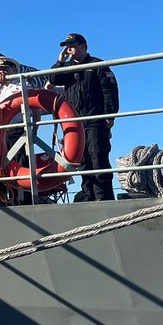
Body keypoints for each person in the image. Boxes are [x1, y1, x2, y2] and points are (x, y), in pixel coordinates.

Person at [50, 33, 119, 202]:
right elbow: (52, 78)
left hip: (95, 120)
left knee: (98, 159)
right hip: (76, 123)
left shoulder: (97, 65)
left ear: (83, 46)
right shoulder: (66, 69)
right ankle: (88, 196)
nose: (69, 49)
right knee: (82, 161)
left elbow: (109, 91)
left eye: (72, 45)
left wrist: (110, 116)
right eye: (67, 46)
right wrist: (60, 61)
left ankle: (104, 198)